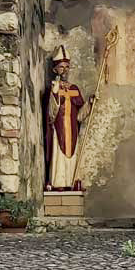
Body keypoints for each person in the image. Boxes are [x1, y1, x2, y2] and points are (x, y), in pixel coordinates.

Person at [44, 45, 93, 191]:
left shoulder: (74, 89)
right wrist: (55, 92)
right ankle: (58, 182)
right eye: (61, 67)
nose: (65, 70)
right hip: (57, 128)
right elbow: (50, 111)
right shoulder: (53, 87)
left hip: (72, 128)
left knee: (73, 154)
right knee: (58, 155)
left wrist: (89, 103)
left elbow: (79, 116)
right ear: (55, 70)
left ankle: (72, 181)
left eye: (67, 67)